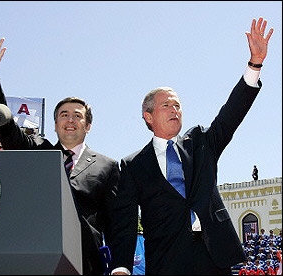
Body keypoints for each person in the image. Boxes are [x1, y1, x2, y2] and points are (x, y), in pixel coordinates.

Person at [109, 17, 274, 275]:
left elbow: (230, 114)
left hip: (215, 258)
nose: (175, 109)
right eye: (166, 105)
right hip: (167, 263)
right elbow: (125, 222)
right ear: (148, 116)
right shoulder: (133, 166)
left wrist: (255, 64)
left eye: (177, 105)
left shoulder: (200, 143)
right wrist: (120, 267)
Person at [0, 36, 120, 275]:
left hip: (86, 263)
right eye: (63, 114)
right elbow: (7, 128)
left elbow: (115, 224)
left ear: (88, 125)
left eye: (77, 115)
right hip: (35, 256)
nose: (70, 119)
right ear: (54, 124)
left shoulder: (108, 166)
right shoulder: (39, 152)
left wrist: (119, 266)